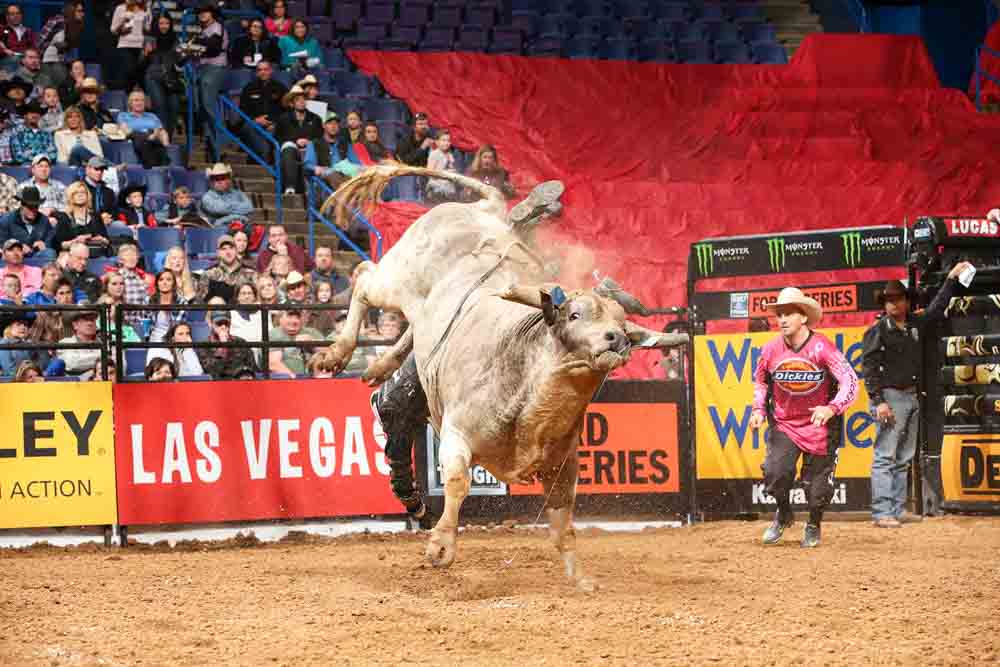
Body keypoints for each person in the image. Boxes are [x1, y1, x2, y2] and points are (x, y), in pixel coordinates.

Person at [862, 263, 974, 528]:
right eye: (889, 301)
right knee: (886, 455)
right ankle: (882, 512)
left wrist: (950, 279)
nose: (893, 305)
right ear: (884, 305)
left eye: (898, 300)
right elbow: (868, 368)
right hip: (891, 397)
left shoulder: (915, 323)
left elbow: (936, 309)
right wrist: (878, 402)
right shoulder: (878, 330)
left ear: (906, 301)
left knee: (902, 456)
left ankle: (897, 509)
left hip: (911, 396)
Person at [749, 287, 859, 548]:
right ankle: (784, 512)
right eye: (780, 314)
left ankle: (813, 523)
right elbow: (761, 382)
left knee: (817, 488)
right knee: (775, 472)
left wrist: (831, 408)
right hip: (785, 423)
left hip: (820, 425)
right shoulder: (770, 349)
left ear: (804, 318)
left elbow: (850, 381)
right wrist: (757, 410)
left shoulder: (823, 348)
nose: (782, 319)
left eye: (789, 314)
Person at [192, 3, 229, 161]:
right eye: (200, 12)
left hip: (215, 68)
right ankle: (211, 142)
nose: (202, 14)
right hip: (203, 68)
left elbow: (213, 47)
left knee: (209, 105)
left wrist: (196, 45)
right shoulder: (202, 31)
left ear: (212, 14)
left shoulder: (217, 27)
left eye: (205, 12)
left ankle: (221, 142)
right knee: (200, 106)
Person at [236, 59, 287, 162]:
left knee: (276, 129)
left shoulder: (281, 88)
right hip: (254, 122)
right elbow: (243, 109)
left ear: (271, 71)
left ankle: (264, 158)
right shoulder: (249, 88)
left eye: (266, 69)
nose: (263, 72)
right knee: (248, 127)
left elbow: (286, 110)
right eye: (260, 70)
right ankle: (266, 156)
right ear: (256, 72)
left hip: (274, 123)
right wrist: (255, 119)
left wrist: (273, 122)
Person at [275, 85, 322, 194]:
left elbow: (319, 137)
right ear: (292, 103)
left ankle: (311, 192)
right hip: (292, 149)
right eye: (298, 100)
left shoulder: (315, 118)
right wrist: (295, 141)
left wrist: (309, 142)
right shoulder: (283, 119)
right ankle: (290, 186)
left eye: (303, 99)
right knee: (288, 148)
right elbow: (278, 137)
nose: (301, 102)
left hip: (310, 150)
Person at [142, 13, 183, 140]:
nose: (164, 26)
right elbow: (141, 63)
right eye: (161, 23)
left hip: (171, 78)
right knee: (160, 107)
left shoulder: (175, 39)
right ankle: (163, 140)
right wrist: (145, 54)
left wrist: (184, 55)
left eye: (167, 23)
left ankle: (168, 138)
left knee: (175, 107)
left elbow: (180, 62)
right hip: (154, 76)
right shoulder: (150, 39)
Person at [303, 111, 361, 190]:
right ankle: (346, 198)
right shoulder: (314, 144)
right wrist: (316, 168)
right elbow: (307, 164)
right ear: (323, 125)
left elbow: (356, 163)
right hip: (327, 177)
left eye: (336, 123)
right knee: (333, 174)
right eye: (330, 123)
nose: (333, 126)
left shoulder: (345, 144)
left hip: (346, 175)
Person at [197, 311, 258, 379]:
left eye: (226, 323)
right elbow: (212, 371)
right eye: (219, 323)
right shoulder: (204, 345)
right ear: (211, 324)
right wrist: (223, 347)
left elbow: (253, 368)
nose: (223, 327)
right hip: (218, 384)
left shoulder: (240, 342)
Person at [116, 90, 170, 168]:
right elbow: (126, 130)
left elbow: (162, 132)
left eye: (142, 100)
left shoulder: (152, 116)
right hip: (135, 137)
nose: (139, 103)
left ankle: (157, 164)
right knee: (137, 136)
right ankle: (155, 165)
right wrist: (148, 136)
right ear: (130, 103)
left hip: (154, 138)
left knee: (155, 142)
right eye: (136, 100)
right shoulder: (123, 115)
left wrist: (166, 145)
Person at [37, 1, 84, 88]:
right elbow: (40, 41)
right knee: (61, 77)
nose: (82, 14)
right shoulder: (57, 21)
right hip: (46, 59)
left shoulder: (77, 26)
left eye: (82, 11)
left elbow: (70, 49)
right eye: (79, 11)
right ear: (71, 11)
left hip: (63, 60)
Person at [197, 234, 258, 301]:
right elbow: (200, 302)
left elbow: (258, 300)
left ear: (236, 250)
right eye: (223, 249)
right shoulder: (208, 274)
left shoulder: (251, 273)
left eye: (231, 248)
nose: (228, 252)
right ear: (218, 253)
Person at [54, 181, 111, 254]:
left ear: (88, 196)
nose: (80, 195)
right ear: (71, 196)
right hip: (73, 255)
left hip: (96, 253)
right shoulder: (64, 217)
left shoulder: (95, 216)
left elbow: (107, 240)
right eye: (76, 193)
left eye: (83, 192)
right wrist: (75, 241)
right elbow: (59, 245)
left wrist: (101, 239)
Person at [0, 187, 56, 260]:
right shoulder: (7, 220)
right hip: (15, 258)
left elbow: (50, 240)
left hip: (37, 257)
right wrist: (16, 247)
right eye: (30, 207)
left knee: (50, 253)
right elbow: (1, 242)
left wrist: (44, 245)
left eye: (36, 206)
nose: (33, 210)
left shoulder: (44, 220)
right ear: (22, 206)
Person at [105, 240, 151, 327]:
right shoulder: (115, 278)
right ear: (120, 260)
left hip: (140, 325)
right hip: (121, 324)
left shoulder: (143, 280)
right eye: (128, 255)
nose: (131, 258)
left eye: (134, 255)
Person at [110, 0, 151, 91]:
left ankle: (133, 95)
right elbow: (113, 29)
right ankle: (128, 95)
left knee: (138, 73)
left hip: (140, 46)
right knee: (130, 70)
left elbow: (147, 28)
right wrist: (123, 22)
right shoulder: (121, 8)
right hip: (125, 45)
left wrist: (147, 17)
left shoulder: (145, 9)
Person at [268, 307, 322, 376]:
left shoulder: (312, 332)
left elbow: (329, 354)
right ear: (280, 318)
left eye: (298, 317)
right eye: (290, 316)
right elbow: (273, 363)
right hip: (287, 380)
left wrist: (313, 342)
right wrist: (294, 378)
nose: (294, 321)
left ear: (303, 319)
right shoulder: (274, 334)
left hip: (315, 378)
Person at [199, 163, 254, 228]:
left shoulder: (238, 193)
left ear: (228, 180)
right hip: (219, 231)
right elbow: (219, 209)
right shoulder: (207, 197)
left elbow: (249, 207)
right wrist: (237, 215)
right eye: (216, 179)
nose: (219, 182)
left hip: (242, 228)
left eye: (223, 178)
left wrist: (227, 208)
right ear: (212, 181)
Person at [57, 305, 101, 375]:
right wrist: (102, 358)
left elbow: (119, 363)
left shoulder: (105, 342)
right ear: (75, 325)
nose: (90, 323)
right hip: (76, 384)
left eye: (92, 320)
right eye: (85, 320)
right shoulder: (64, 342)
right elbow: (72, 364)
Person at [17, 154, 65, 219]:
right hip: (32, 220)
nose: (44, 169)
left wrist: (53, 210)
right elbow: (18, 209)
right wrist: (38, 211)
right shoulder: (23, 187)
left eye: (47, 166)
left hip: (55, 219)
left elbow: (68, 206)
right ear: (33, 170)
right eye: (40, 166)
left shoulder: (59, 186)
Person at [10, 100, 57, 165]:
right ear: (25, 115)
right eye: (31, 112)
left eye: (37, 113)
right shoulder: (17, 133)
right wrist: (42, 155)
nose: (34, 115)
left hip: (44, 166)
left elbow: (53, 154)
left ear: (40, 116)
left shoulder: (47, 134)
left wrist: (29, 153)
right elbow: (18, 157)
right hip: (24, 168)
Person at [147, 269, 187, 341]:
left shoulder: (181, 302)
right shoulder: (148, 300)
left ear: (173, 283)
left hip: (175, 340)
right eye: (161, 280)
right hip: (154, 340)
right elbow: (145, 326)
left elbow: (179, 327)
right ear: (157, 283)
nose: (164, 283)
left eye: (168, 280)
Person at [230, 280, 263, 359]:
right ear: (237, 297)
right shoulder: (231, 314)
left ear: (254, 297)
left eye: (249, 293)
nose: (247, 296)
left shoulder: (263, 313)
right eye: (243, 293)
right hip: (240, 356)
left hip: (261, 356)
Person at [425, 129, 458, 203]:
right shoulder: (434, 154)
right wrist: (445, 172)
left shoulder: (450, 155)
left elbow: (451, 168)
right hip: (437, 188)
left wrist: (452, 171)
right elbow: (430, 173)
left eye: (448, 141)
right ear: (437, 142)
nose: (446, 143)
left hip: (448, 188)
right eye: (443, 140)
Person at [80, 156, 117, 222]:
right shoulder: (79, 188)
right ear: (88, 169)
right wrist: (99, 218)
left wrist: (109, 217)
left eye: (102, 170)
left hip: (107, 224)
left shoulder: (108, 191)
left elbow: (114, 211)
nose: (99, 172)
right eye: (96, 169)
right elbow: (78, 210)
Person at [0, 311, 35, 375]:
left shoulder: (26, 344)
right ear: (9, 328)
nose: (23, 327)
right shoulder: (4, 343)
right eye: (18, 324)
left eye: (25, 325)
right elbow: (9, 370)